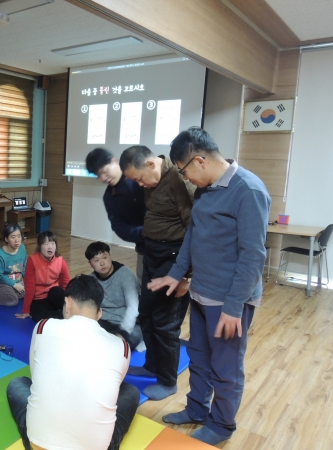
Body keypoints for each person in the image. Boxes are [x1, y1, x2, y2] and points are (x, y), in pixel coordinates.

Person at [147, 127, 270, 446]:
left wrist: (233, 307)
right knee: (199, 357)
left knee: (225, 367)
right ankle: (197, 410)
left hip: (229, 300)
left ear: (199, 161)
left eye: (184, 171)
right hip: (201, 292)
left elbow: (253, 255)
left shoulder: (248, 190)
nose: (185, 178)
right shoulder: (205, 189)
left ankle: (222, 425)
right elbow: (193, 234)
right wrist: (177, 274)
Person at [6, 275, 140, 450]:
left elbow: (35, 372)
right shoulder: (122, 347)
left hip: (39, 444)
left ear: (67, 303)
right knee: (130, 391)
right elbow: (117, 385)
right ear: (99, 313)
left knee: (17, 384)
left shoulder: (43, 326)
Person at [120, 144, 195, 401]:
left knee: (166, 323)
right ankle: (152, 365)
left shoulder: (179, 181)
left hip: (173, 259)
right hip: (153, 255)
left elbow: (194, 229)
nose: (141, 185)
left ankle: (167, 380)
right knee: (148, 315)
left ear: (151, 164)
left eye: (140, 179)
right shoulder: (153, 179)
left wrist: (186, 276)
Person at [86, 148, 146, 283]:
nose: (103, 178)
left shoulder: (140, 178)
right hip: (145, 250)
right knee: (145, 289)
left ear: (114, 161)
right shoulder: (109, 198)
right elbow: (119, 227)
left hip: (169, 245)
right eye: (98, 175)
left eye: (104, 171)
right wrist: (143, 232)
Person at [86, 241, 143, 352]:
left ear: (110, 256)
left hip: (127, 323)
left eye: (105, 257)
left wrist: (123, 332)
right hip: (104, 321)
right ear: (90, 264)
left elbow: (133, 308)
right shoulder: (91, 279)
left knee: (132, 337)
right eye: (96, 260)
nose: (102, 263)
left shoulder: (125, 274)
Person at [15, 231, 70, 322]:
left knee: (57, 291)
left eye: (52, 244)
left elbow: (66, 283)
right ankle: (65, 316)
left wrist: (68, 303)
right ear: (40, 246)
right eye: (46, 244)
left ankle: (69, 313)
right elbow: (30, 287)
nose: (50, 247)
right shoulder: (32, 260)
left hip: (53, 295)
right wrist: (26, 310)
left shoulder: (60, 261)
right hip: (39, 299)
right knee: (37, 316)